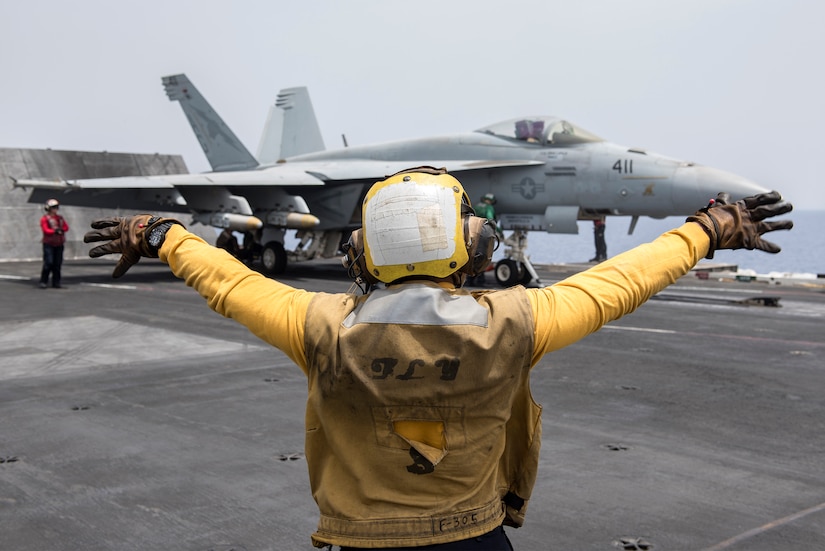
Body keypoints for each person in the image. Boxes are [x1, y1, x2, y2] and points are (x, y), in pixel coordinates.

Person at [83, 167, 792, 550]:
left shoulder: (318, 326)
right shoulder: (517, 322)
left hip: (358, 545)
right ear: (474, 247)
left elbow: (230, 283)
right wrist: (703, 230)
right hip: (471, 543)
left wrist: (166, 234)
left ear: (360, 254)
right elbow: (616, 283)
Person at [39, 198, 69, 288]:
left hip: (59, 243)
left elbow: (66, 227)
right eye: (53, 207)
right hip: (49, 244)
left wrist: (61, 230)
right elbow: (45, 230)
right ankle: (43, 281)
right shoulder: (45, 219)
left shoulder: (60, 218)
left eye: (56, 207)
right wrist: (55, 231)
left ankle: (56, 282)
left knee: (57, 264)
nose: (55, 209)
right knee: (49, 262)